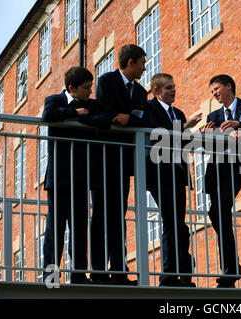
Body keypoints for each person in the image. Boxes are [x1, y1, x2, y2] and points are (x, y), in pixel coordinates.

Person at [42, 66, 111, 284]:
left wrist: (81, 118)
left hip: (82, 178)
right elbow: (48, 115)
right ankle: (50, 276)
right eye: (85, 88)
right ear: (71, 88)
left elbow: (104, 121)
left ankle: (78, 275)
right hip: (60, 178)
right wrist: (75, 113)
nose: (90, 92)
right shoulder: (55, 100)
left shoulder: (91, 105)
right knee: (55, 230)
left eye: (90, 87)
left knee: (80, 229)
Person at [91, 44, 148, 285]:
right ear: (131, 62)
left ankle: (119, 269)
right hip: (104, 159)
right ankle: (99, 270)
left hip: (124, 162)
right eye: (142, 62)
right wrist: (126, 117)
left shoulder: (141, 92)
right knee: (101, 215)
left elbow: (142, 116)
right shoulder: (106, 81)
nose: (145, 67)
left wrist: (128, 118)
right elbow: (107, 111)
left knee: (118, 215)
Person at [202, 74, 241, 288]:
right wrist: (209, 137)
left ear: (229, 86)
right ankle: (231, 267)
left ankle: (232, 268)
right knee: (217, 212)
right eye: (212, 92)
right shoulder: (214, 115)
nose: (214, 94)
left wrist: (238, 127)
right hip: (224, 166)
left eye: (217, 89)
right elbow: (211, 148)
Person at [145, 73, 201, 287]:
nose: (173, 90)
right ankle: (170, 275)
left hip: (178, 173)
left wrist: (198, 134)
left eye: (174, 86)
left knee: (179, 225)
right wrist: (185, 128)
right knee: (172, 223)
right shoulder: (150, 109)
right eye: (168, 88)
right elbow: (157, 136)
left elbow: (184, 145)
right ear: (157, 91)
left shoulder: (178, 113)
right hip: (160, 173)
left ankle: (183, 274)